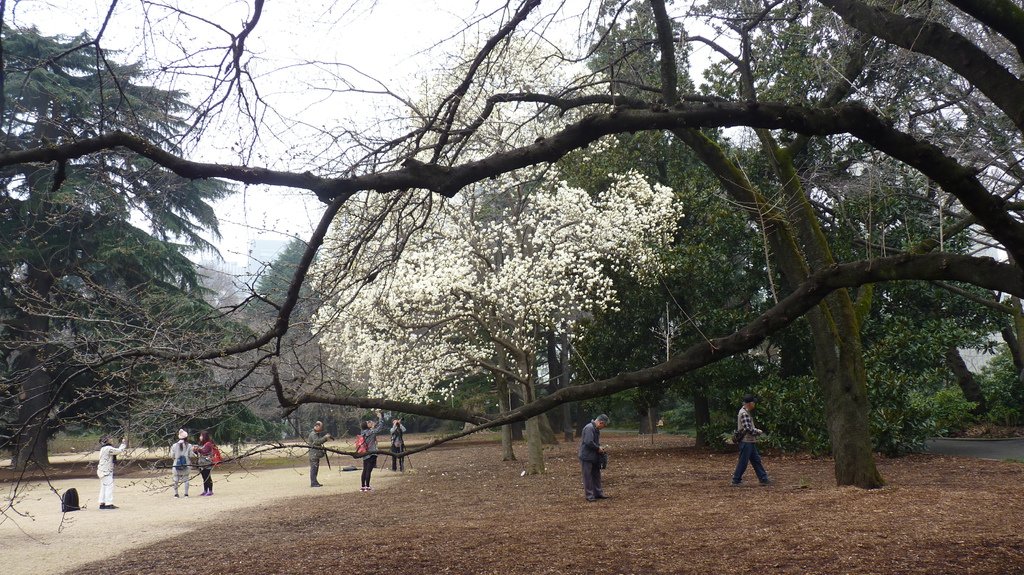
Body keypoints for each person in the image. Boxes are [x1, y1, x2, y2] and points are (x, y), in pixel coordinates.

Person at [731, 394, 770, 486]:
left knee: (756, 460)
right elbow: (748, 429)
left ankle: (763, 478)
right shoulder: (744, 413)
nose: (754, 404)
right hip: (746, 441)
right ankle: (736, 480)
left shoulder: (745, 412)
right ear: (750, 403)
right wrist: (758, 431)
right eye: (753, 402)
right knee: (743, 462)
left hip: (749, 441)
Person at [578, 414, 609, 502]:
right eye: (604, 425)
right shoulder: (589, 428)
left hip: (594, 456)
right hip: (586, 456)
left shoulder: (595, 429)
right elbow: (588, 442)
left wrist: (599, 447)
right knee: (587, 476)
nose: (603, 427)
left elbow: (594, 442)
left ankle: (598, 493)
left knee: (596, 475)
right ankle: (589, 495)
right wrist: (597, 448)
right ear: (601, 422)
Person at [359, 409, 390, 492]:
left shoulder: (363, 432)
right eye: (369, 422)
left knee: (365, 469)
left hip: (365, 453)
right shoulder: (371, 432)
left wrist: (373, 424)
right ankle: (368, 486)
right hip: (371, 453)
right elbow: (380, 427)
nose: (370, 422)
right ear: (367, 425)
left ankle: (363, 486)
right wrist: (380, 418)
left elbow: (374, 428)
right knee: (369, 470)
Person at [97, 435, 127, 510]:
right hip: (105, 471)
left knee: (104, 487)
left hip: (103, 470)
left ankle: (102, 502)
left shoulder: (103, 449)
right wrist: (123, 444)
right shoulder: (108, 448)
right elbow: (118, 451)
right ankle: (108, 503)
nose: (111, 440)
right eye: (110, 439)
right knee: (109, 486)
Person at [307, 421, 332, 487]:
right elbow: (317, 442)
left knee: (315, 469)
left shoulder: (316, 433)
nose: (322, 429)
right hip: (313, 455)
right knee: (314, 469)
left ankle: (315, 482)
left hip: (315, 454)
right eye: (321, 427)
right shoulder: (313, 434)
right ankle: (313, 483)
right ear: (317, 426)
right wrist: (325, 437)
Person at [193, 430, 217, 496]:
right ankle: (205, 490)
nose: (200, 437)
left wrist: (198, 449)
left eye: (201, 436)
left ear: (204, 436)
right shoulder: (202, 444)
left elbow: (204, 452)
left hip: (207, 463)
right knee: (204, 477)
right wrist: (195, 451)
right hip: (201, 463)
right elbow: (200, 453)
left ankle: (210, 491)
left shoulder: (208, 444)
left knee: (207, 477)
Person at [170, 429, 192, 497]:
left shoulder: (174, 445)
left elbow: (172, 456)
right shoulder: (189, 445)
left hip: (176, 464)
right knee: (186, 479)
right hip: (186, 464)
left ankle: (176, 494)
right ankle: (186, 494)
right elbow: (191, 455)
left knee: (175, 479)